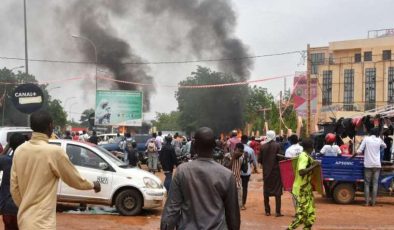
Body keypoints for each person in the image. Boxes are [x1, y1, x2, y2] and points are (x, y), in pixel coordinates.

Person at [10, 110, 101, 229]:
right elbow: (74, 179)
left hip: (24, 221)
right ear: (50, 126)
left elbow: (14, 188)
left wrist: (25, 207)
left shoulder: (19, 151)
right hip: (43, 224)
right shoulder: (54, 153)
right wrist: (93, 185)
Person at [161, 127, 240, 230]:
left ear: (194, 145)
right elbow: (233, 215)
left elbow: (171, 210)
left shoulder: (182, 171)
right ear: (214, 146)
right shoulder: (227, 175)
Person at [287, 138, 320, 230]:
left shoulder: (307, 156)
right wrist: (314, 166)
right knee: (301, 217)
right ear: (310, 147)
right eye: (313, 146)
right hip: (300, 191)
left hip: (307, 190)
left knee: (310, 217)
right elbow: (301, 171)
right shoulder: (304, 156)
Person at [351, 127, 386, 206]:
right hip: (377, 165)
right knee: (375, 184)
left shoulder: (366, 139)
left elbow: (359, 151)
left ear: (370, 132)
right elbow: (385, 146)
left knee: (367, 183)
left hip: (368, 164)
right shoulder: (379, 140)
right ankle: (373, 203)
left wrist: (352, 156)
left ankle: (366, 203)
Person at [0, 133, 25, 230]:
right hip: (24, 207)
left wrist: (8, 146)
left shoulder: (5, 161)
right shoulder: (28, 162)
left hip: (7, 207)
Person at [259, 130, 283, 217]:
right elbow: (281, 158)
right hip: (276, 172)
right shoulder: (277, 146)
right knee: (277, 191)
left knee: (266, 191)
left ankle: (267, 211)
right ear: (274, 136)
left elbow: (260, 160)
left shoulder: (262, 147)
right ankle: (278, 212)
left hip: (266, 172)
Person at [240, 135, 257, 210]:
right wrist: (255, 168)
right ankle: (243, 203)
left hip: (238, 171)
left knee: (237, 187)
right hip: (247, 171)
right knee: (245, 187)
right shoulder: (250, 150)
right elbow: (254, 160)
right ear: (247, 140)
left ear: (241, 140)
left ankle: (238, 202)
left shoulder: (237, 148)